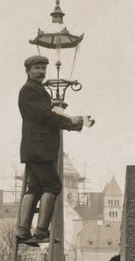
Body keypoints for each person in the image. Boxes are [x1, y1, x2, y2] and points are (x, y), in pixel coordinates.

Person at [16, 55, 84, 247]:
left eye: (43, 68)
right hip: (40, 149)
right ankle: (41, 231)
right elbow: (45, 116)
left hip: (36, 148)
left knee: (35, 188)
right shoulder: (29, 90)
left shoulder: (37, 89)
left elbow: (48, 115)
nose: (41, 71)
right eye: (37, 68)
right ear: (28, 71)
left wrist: (68, 120)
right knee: (53, 186)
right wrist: (70, 122)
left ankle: (23, 231)